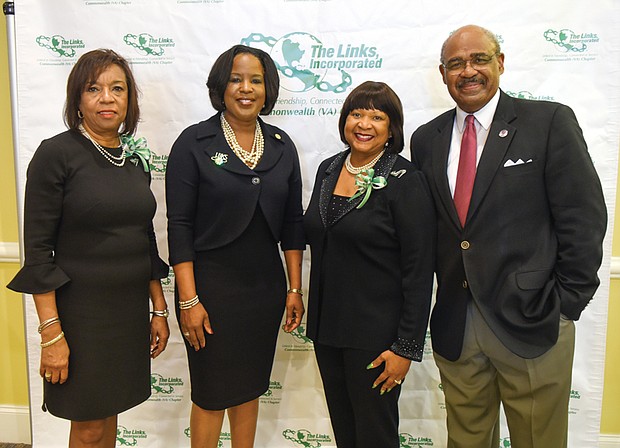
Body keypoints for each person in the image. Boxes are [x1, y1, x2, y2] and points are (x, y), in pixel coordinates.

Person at [410, 25, 607, 448]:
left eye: (479, 59)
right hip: (456, 324)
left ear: (500, 63)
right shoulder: (426, 139)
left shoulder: (548, 122)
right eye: (456, 63)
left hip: (533, 321)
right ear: (442, 74)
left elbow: (583, 217)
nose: (468, 71)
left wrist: (565, 304)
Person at [7, 49, 170, 447]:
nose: (107, 98)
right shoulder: (56, 154)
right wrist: (50, 334)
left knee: (109, 415)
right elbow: (39, 251)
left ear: (129, 99)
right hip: (80, 315)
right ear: (77, 99)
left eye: (117, 89)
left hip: (127, 312)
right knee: (89, 425)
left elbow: (144, 238)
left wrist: (159, 308)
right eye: (93, 89)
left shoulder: (134, 160)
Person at [165, 44, 304, 448]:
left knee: (249, 388)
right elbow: (180, 226)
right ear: (221, 86)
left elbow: (294, 225)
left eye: (256, 80)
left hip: (264, 292)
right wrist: (188, 300)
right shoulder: (193, 143)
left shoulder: (281, 145)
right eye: (236, 79)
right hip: (208, 292)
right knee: (211, 395)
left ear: (268, 88)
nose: (246, 88)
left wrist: (294, 288)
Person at [304, 81, 436, 448]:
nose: (365, 123)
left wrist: (406, 347)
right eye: (357, 113)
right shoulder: (328, 169)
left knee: (375, 436)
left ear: (392, 128)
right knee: (346, 433)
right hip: (327, 330)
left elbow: (419, 268)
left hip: (377, 339)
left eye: (377, 116)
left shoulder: (405, 180)